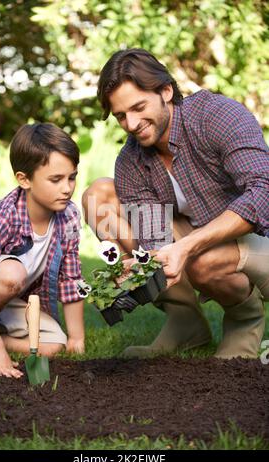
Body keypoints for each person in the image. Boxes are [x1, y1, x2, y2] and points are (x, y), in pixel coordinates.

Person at [83, 48, 269, 360]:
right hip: (208, 245)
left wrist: (188, 246)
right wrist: (139, 271)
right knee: (98, 197)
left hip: (261, 240)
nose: (130, 124)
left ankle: (245, 320)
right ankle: (186, 323)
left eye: (138, 107)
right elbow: (155, 240)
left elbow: (263, 192)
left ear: (166, 91)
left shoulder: (216, 116)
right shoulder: (132, 160)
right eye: (120, 116)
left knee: (202, 258)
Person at [0, 123, 86, 378]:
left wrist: (76, 338)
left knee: (56, 345)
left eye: (72, 176)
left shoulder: (69, 216)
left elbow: (71, 279)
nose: (67, 188)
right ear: (24, 179)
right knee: (11, 274)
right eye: (56, 179)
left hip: (11, 304)